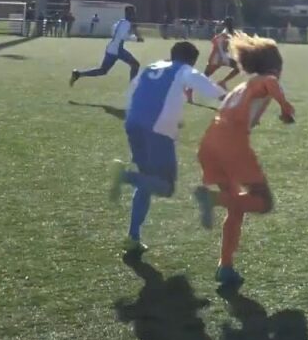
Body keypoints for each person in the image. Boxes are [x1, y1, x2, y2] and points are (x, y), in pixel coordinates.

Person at [193, 33, 296, 288]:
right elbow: (271, 83)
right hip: (231, 145)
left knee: (236, 205)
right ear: (276, 65)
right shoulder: (267, 79)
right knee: (263, 202)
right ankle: (212, 199)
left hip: (210, 143)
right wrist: (286, 108)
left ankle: (225, 266)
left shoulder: (242, 86)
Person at [109, 41, 227, 254]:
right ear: (191, 60)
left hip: (133, 123)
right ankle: (125, 176)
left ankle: (133, 236)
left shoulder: (152, 67)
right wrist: (232, 100)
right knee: (166, 187)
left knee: (146, 181)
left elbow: (133, 91)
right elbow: (210, 89)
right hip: (158, 129)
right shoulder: (184, 70)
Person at [70, 6, 144, 86]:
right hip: (118, 50)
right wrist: (136, 39)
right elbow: (123, 36)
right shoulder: (127, 24)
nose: (134, 15)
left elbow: (113, 31)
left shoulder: (120, 21)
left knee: (103, 70)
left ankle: (78, 74)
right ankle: (132, 86)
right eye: (133, 13)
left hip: (111, 48)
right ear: (131, 14)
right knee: (135, 64)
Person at [187, 17, 242, 103]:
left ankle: (222, 82)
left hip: (222, 57)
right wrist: (223, 56)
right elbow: (215, 41)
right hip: (216, 57)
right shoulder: (225, 33)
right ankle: (190, 90)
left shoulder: (230, 32)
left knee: (238, 67)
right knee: (204, 77)